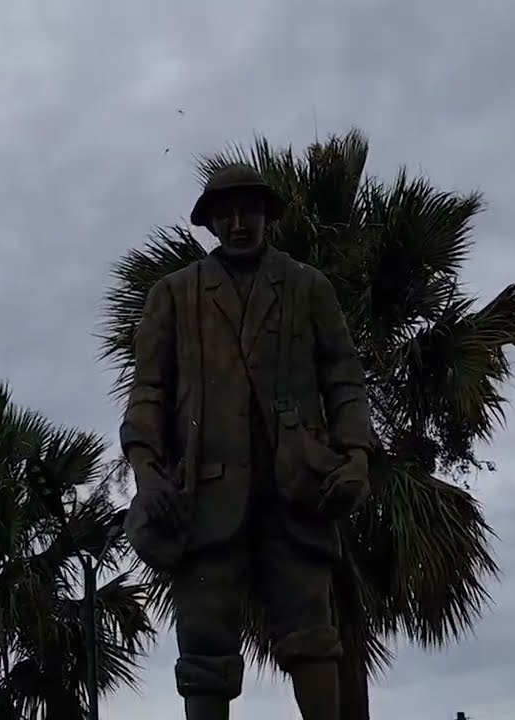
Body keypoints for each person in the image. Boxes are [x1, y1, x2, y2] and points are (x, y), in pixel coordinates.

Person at [120, 163, 374, 720]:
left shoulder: (308, 286)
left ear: (267, 215)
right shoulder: (175, 294)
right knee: (204, 650)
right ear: (209, 223)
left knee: (313, 636)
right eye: (225, 213)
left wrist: (355, 456)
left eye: (249, 211)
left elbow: (343, 378)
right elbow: (149, 391)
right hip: (205, 498)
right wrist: (146, 469)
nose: (238, 224)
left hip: (298, 491)